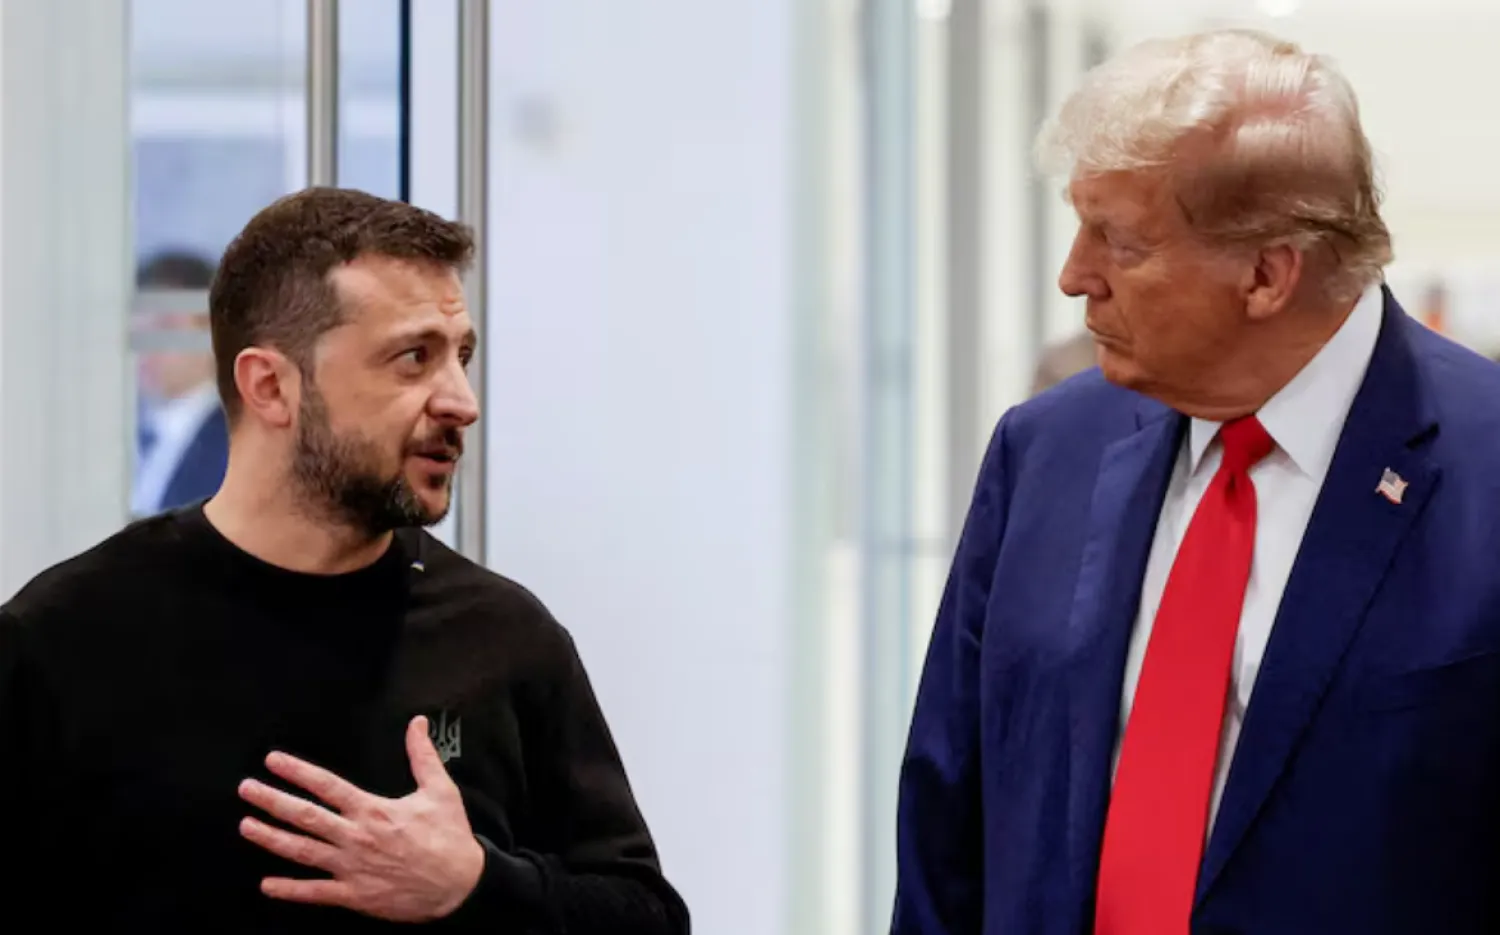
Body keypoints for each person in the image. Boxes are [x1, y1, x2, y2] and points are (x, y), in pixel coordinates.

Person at [892, 29, 1500, 935]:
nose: (1074, 277)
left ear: (1266, 275)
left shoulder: (1482, 470)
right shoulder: (1043, 452)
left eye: (1118, 242)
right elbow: (948, 834)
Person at [0, 188, 689, 932]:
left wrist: (476, 884)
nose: (461, 400)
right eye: (413, 358)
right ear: (271, 386)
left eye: (461, 357)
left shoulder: (504, 639)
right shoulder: (64, 639)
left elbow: (646, 916)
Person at [133, 249, 230, 515]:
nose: (147, 345)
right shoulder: (120, 439)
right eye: (137, 326)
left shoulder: (236, 447)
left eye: (165, 325)